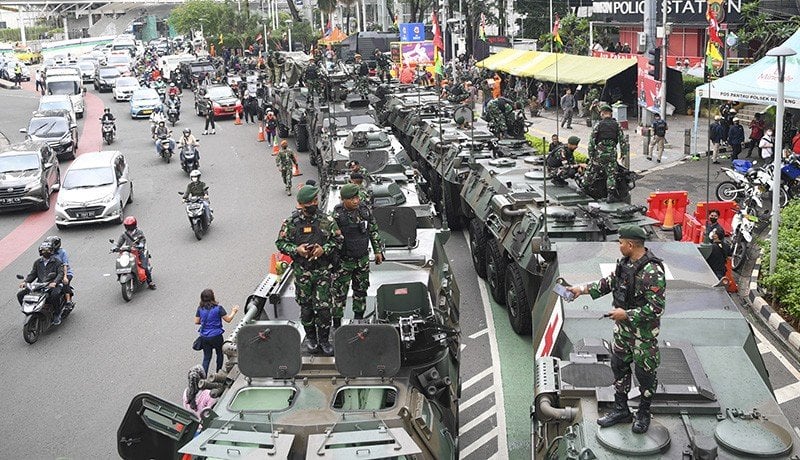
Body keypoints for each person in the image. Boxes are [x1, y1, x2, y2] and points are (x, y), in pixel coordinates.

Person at [567, 225, 666, 434]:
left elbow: (656, 309)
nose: (619, 246)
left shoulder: (652, 272)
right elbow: (609, 283)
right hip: (623, 332)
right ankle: (621, 409)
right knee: (619, 368)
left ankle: (643, 413)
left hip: (643, 336)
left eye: (621, 243)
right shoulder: (625, 264)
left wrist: (627, 314)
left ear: (631, 245)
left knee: (645, 374)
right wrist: (580, 290)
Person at [275, 185, 342, 356]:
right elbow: (281, 244)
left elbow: (338, 240)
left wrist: (324, 249)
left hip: (322, 273)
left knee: (324, 309)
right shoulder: (291, 223)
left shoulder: (327, 220)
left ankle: (325, 340)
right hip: (303, 273)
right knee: (306, 308)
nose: (314, 204)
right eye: (311, 202)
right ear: (303, 205)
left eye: (315, 200)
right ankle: (311, 339)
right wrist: (297, 250)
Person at [331, 183, 384, 327]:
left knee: (361, 291)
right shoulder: (336, 216)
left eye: (356, 198)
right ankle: (337, 325)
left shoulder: (364, 211)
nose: (356, 201)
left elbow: (373, 231)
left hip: (362, 260)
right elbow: (329, 240)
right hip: (344, 262)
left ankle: (358, 320)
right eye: (352, 199)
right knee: (339, 295)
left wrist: (378, 251)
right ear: (343, 199)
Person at [586, 104, 629, 202]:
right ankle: (610, 195)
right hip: (612, 154)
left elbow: (592, 142)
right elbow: (622, 141)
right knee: (611, 174)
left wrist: (591, 155)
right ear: (610, 113)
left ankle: (585, 187)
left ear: (602, 113)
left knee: (591, 170)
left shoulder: (598, 125)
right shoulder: (616, 125)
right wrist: (623, 153)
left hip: (599, 154)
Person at [194, 289, 239, 374]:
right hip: (216, 336)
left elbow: (196, 321)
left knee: (207, 357)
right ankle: (218, 373)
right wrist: (234, 311)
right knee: (219, 353)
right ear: (212, 297)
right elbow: (228, 319)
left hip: (205, 337)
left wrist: (205, 322)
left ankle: (203, 377)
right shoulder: (218, 308)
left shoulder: (200, 309)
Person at [18, 242, 64, 324]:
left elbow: (60, 274)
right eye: (43, 250)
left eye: (48, 250)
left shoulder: (57, 262)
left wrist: (55, 282)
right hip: (40, 285)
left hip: (53, 285)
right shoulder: (37, 262)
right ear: (40, 251)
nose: (45, 252)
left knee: (54, 295)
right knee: (21, 294)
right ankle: (29, 311)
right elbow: (33, 274)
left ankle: (57, 314)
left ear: (51, 251)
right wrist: (25, 282)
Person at [115, 216, 156, 289]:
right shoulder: (124, 234)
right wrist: (115, 248)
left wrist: (141, 245)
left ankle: (150, 282)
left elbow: (143, 240)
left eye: (130, 226)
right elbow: (119, 243)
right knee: (122, 262)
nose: (128, 228)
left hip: (139, 252)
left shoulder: (139, 232)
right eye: (127, 226)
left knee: (144, 267)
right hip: (129, 251)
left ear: (134, 225)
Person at [46, 235, 74, 308]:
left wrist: (65, 277)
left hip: (65, 273)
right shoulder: (48, 252)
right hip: (54, 273)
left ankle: (68, 301)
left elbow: (65, 265)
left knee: (65, 283)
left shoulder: (62, 252)